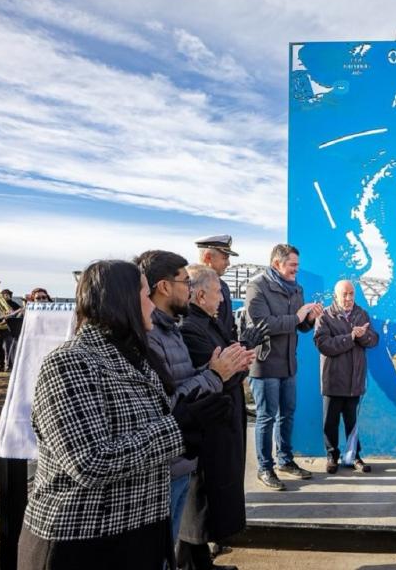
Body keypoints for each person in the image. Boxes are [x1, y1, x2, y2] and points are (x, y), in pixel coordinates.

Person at [17, 260, 231, 570]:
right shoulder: (69, 363)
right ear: (122, 301)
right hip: (81, 544)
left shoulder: (136, 359)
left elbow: (149, 428)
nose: (152, 305)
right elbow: (89, 462)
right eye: (145, 295)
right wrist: (178, 429)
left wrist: (192, 419)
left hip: (136, 536)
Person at [135, 250, 249, 562]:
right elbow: (167, 401)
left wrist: (218, 369)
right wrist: (217, 373)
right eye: (185, 282)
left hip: (182, 455)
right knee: (166, 544)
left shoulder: (171, 329)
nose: (189, 289)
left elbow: (184, 380)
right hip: (170, 457)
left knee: (175, 537)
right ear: (164, 287)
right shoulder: (157, 335)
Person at [178, 264, 258, 570]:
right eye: (217, 293)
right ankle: (191, 562)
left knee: (212, 496)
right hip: (208, 427)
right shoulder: (191, 328)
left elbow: (231, 364)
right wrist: (236, 363)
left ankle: (200, 560)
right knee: (199, 501)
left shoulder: (206, 323)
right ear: (200, 295)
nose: (223, 299)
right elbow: (223, 372)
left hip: (222, 419)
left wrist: (238, 359)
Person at [245, 244, 324, 490]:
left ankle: (285, 461)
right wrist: (298, 317)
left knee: (287, 414)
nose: (296, 270)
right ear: (277, 264)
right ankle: (265, 468)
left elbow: (299, 327)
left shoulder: (296, 288)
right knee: (266, 417)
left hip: (289, 363)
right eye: (292, 265)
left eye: (297, 265)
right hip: (265, 363)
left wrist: (309, 320)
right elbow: (262, 324)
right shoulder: (257, 287)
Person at [313, 279, 379, 473]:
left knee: (352, 423)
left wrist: (363, 336)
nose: (349, 298)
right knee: (330, 423)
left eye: (351, 294)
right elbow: (324, 345)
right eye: (345, 294)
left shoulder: (361, 314)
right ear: (336, 296)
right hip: (333, 380)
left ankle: (353, 457)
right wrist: (351, 337)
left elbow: (373, 340)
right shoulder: (325, 316)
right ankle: (332, 456)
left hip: (354, 381)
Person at [195, 235, 238, 342]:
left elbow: (228, 324)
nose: (228, 263)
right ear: (208, 257)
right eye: (225, 258)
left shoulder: (224, 286)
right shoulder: (191, 286)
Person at [0, 288, 21, 372]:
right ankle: (1, 366)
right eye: (3, 294)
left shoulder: (14, 304)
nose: (5, 296)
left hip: (8, 329)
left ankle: (9, 366)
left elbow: (20, 312)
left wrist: (13, 316)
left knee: (9, 349)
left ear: (10, 295)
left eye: (7, 294)